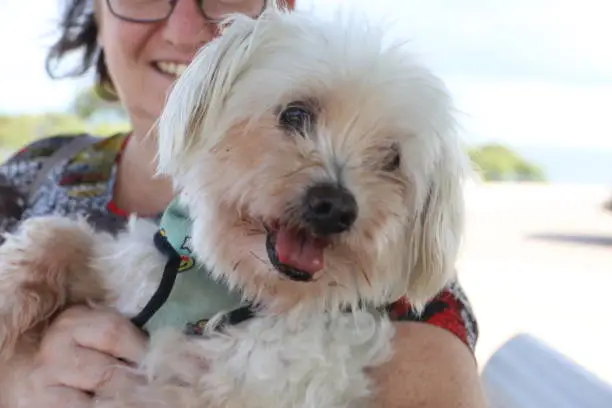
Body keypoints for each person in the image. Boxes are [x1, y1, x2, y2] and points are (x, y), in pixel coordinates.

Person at [0, 0, 486, 406]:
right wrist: (16, 377)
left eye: (387, 161)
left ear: (281, 9)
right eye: (296, 117)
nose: (185, 25)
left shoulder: (394, 297)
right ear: (95, 16)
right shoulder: (37, 168)